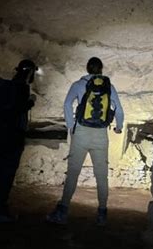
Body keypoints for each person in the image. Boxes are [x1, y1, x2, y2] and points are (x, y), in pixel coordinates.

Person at [46, 57, 124, 226]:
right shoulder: (109, 87)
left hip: (81, 132)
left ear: (87, 68)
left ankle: (63, 211)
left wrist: (71, 126)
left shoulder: (78, 85)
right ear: (101, 69)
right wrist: (118, 127)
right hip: (100, 135)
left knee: (73, 172)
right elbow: (119, 110)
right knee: (101, 176)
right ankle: (102, 213)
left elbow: (67, 104)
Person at [0, 59, 37, 223]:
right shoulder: (21, 87)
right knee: (8, 172)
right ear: (30, 72)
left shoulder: (7, 86)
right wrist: (31, 101)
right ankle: (0, 210)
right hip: (14, 135)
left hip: (4, 133)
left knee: (2, 169)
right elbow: (18, 110)